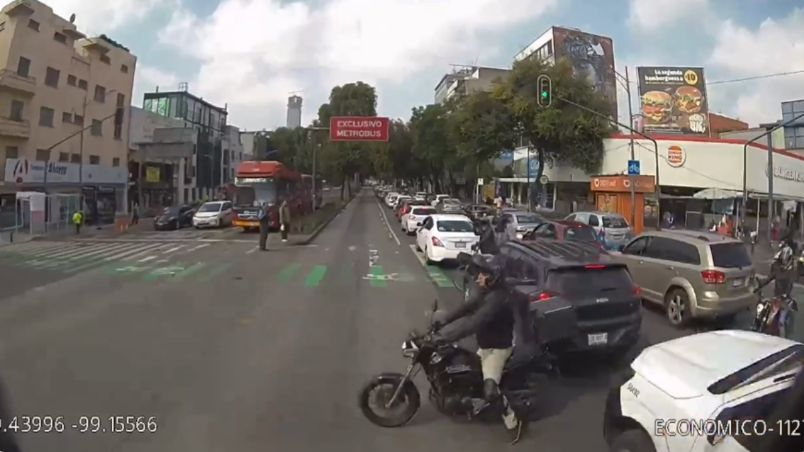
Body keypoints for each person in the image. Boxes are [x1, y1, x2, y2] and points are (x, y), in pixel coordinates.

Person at [431, 254, 525, 443]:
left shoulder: (497, 299)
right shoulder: (486, 292)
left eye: (482, 274)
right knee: (464, 372)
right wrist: (445, 320)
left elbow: (474, 322)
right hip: (485, 345)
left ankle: (512, 420)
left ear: (493, 277)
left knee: (490, 389)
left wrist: (445, 337)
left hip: (497, 349)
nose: (477, 277)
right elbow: (468, 307)